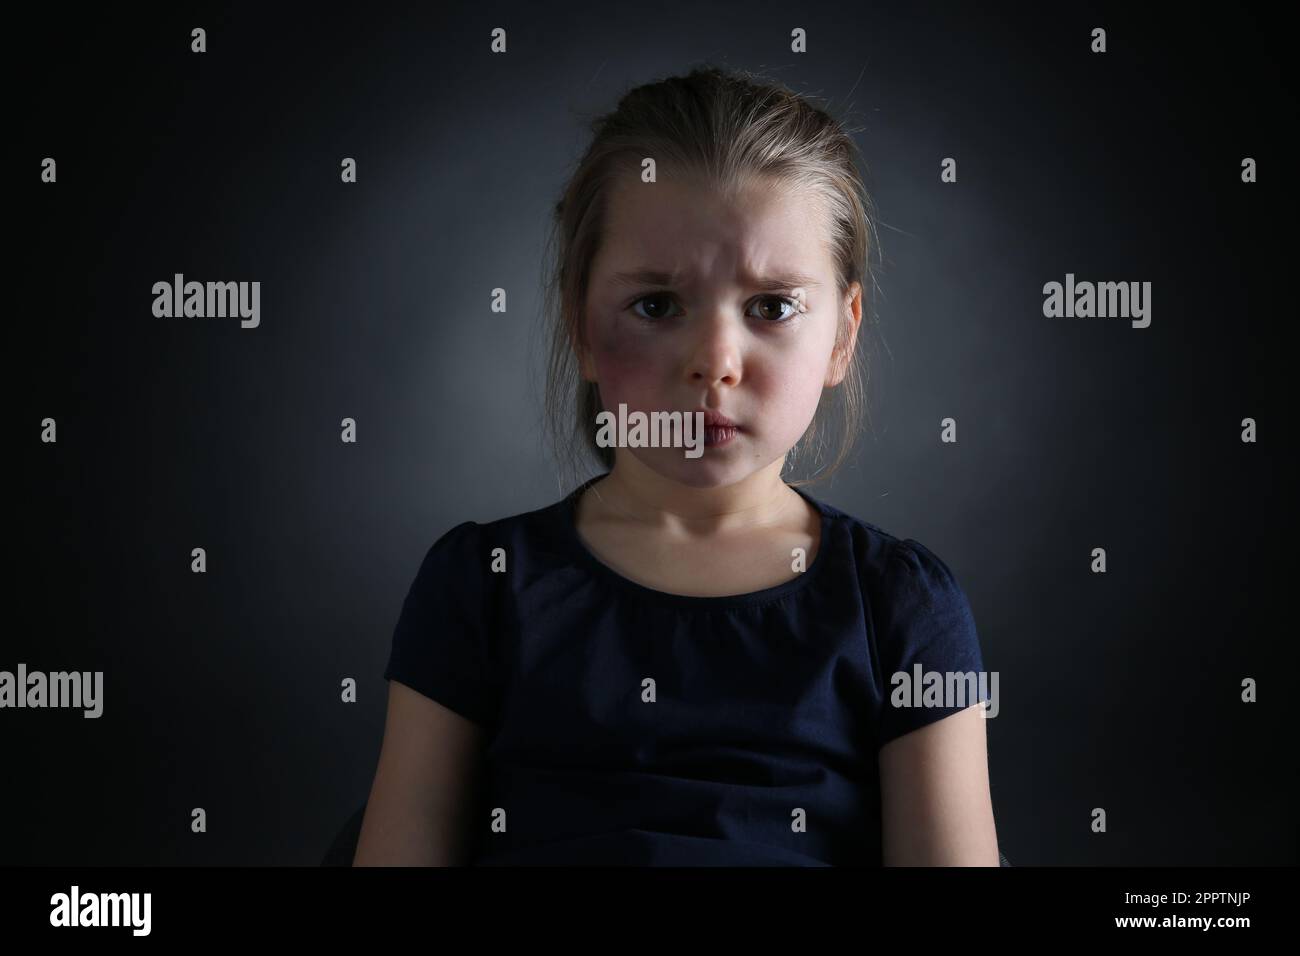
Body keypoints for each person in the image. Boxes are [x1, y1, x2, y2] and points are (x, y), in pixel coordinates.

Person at [353, 65, 1000, 866]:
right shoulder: (479, 587)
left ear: (842, 335)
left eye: (772, 307)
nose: (715, 361)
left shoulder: (901, 609)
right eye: (657, 305)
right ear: (581, 326)